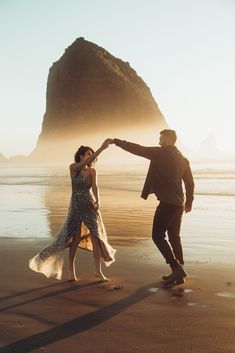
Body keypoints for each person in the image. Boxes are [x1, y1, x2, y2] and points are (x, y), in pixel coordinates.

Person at [112, 129, 194, 287]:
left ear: (168, 139)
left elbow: (138, 149)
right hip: (179, 203)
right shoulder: (184, 159)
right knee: (174, 237)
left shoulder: (161, 153)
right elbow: (190, 183)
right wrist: (189, 201)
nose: (159, 141)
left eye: (161, 138)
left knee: (157, 236)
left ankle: (176, 268)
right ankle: (179, 273)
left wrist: (117, 141)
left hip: (167, 204)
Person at [29, 139, 116, 282]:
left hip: (90, 205)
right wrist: (101, 148)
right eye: (88, 154)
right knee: (74, 239)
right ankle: (71, 270)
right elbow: (83, 165)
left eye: (92, 155)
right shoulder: (73, 168)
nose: (90, 156)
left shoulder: (93, 171)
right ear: (81, 156)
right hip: (76, 206)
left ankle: (98, 271)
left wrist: (98, 201)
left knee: (96, 238)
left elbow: (95, 187)